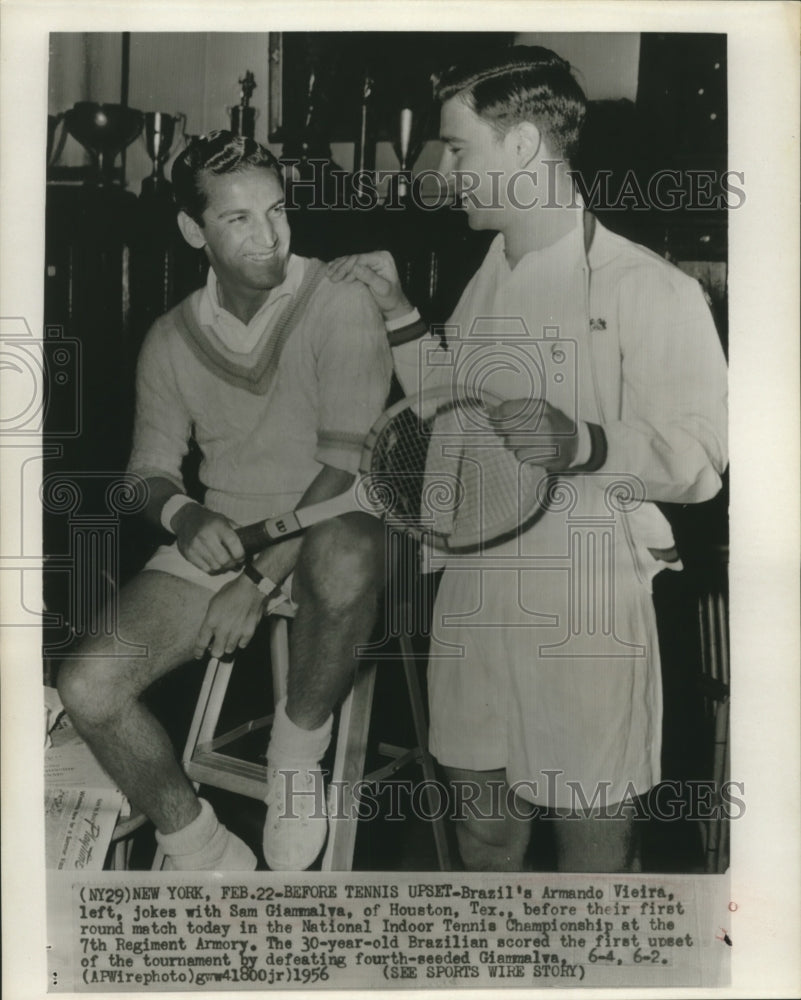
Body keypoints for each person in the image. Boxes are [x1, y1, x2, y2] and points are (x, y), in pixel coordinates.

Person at [327, 46, 728, 872]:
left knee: (590, 849)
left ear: (520, 148)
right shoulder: (489, 274)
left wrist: (582, 441)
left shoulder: (651, 289)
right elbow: (465, 411)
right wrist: (401, 316)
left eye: (457, 147)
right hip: (473, 589)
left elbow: (701, 456)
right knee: (482, 833)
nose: (445, 169)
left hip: (586, 597)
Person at [57, 131, 392, 871]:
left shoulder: (342, 301)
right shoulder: (170, 337)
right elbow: (145, 474)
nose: (267, 236)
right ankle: (201, 847)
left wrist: (256, 579)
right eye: (238, 218)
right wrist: (187, 516)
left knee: (344, 544)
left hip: (343, 525)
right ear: (192, 229)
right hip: (234, 538)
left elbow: (347, 469)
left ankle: (296, 757)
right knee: (87, 684)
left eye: (276, 211)